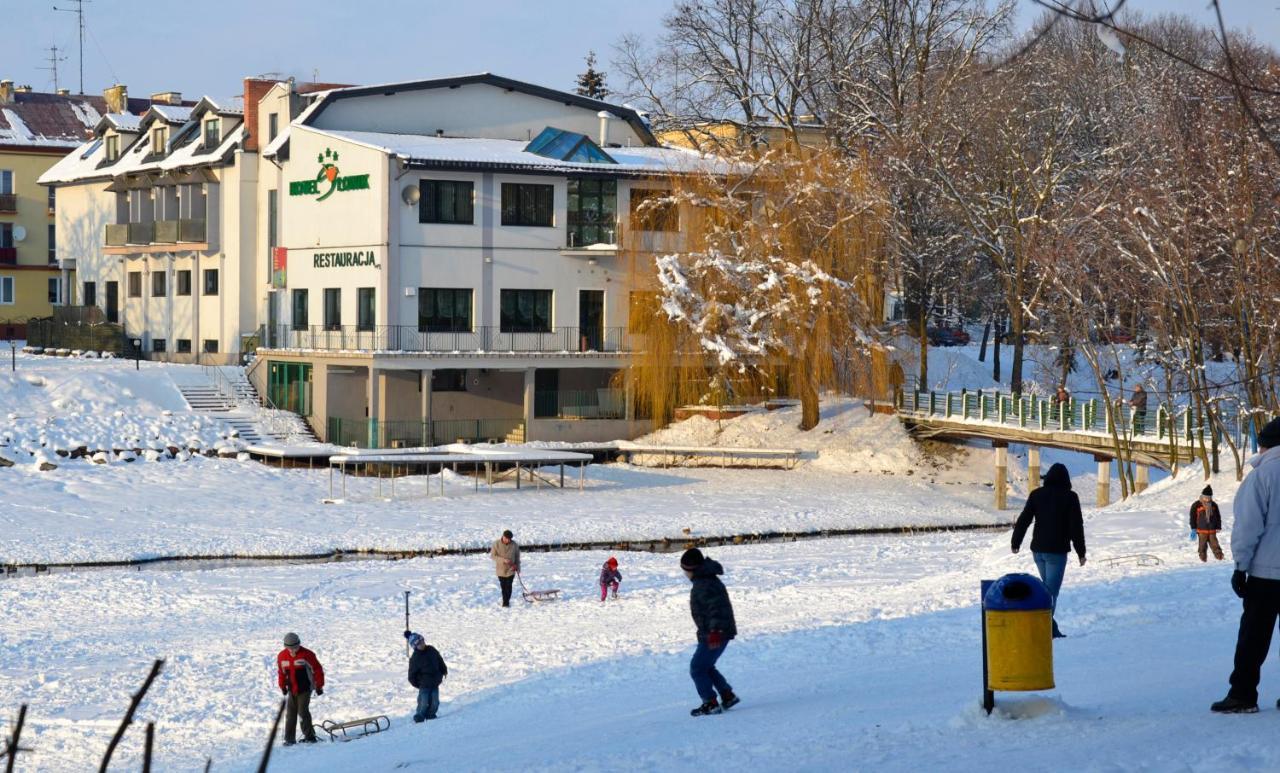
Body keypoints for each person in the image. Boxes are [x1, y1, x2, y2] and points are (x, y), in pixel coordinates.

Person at [1212, 418, 1280, 713]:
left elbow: (1248, 527)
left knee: (1253, 636)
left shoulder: (1262, 475)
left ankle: (1242, 694)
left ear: (1266, 444)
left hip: (1267, 572)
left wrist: (1240, 566)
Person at [1011, 462, 1086, 639]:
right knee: (1050, 594)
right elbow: (1076, 527)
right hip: (1056, 553)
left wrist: (1016, 542)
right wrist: (1081, 552)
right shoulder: (1070, 497)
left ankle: (1050, 628)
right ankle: (1038, 628)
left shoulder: (1037, 495)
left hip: (1038, 551)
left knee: (1046, 591)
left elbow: (1024, 520)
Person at [680, 548, 740, 716]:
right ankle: (727, 695)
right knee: (706, 666)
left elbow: (716, 608)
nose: (685, 574)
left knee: (697, 668)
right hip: (717, 632)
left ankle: (710, 702)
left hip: (715, 634)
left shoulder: (704, 584)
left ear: (692, 569)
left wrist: (715, 631)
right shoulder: (706, 580)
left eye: (685, 570)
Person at [276, 632, 325, 745]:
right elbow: (281, 673)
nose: (293, 650)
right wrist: (282, 686)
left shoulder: (307, 654)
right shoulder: (282, 656)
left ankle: (310, 737)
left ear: (299, 644)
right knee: (290, 714)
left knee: (303, 712)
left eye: (295, 647)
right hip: (292, 689)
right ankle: (289, 739)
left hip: (305, 688)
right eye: (290, 648)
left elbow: (317, 670)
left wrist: (319, 686)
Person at [403, 630, 448, 722]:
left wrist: (443, 670)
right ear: (415, 646)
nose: (422, 644)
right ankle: (420, 715)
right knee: (423, 702)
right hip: (424, 685)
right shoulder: (415, 658)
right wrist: (418, 684)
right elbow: (411, 675)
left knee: (435, 702)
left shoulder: (431, 650)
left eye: (422, 641)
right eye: (419, 644)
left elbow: (439, 660)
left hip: (435, 682)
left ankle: (431, 714)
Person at [1190, 485, 1224, 562]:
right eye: (1206, 497)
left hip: (1212, 529)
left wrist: (1218, 526)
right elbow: (1192, 517)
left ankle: (1219, 556)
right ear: (1202, 496)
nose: (1207, 499)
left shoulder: (1214, 505)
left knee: (1215, 544)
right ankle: (1203, 557)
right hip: (1201, 530)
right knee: (1202, 545)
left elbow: (1218, 516)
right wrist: (1193, 528)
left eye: (1209, 497)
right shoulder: (1196, 505)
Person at [491, 529, 520, 607]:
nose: (508, 540)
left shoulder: (514, 545)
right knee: (503, 587)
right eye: (507, 538)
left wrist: (517, 567)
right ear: (503, 536)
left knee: (509, 586)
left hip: (511, 569)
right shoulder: (496, 544)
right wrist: (503, 560)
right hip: (501, 570)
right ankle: (505, 601)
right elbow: (493, 556)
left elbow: (517, 557)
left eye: (510, 539)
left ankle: (506, 602)